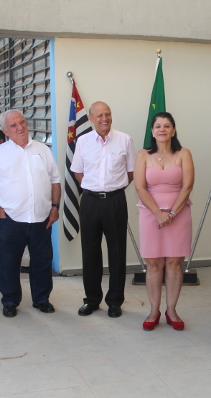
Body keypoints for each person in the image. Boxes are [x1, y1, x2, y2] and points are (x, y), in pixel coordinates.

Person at [0, 109, 61, 318]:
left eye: (22, 122)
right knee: (8, 263)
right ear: (6, 130)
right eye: (14, 125)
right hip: (11, 220)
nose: (20, 127)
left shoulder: (42, 150)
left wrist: (55, 207)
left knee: (42, 261)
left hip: (41, 218)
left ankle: (41, 299)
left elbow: (54, 180)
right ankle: (10, 301)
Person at [70, 101, 136, 318]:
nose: (104, 118)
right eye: (99, 115)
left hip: (115, 201)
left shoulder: (124, 140)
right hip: (89, 201)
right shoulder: (82, 141)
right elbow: (78, 173)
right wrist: (95, 188)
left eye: (107, 114)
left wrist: (112, 189)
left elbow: (130, 173)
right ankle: (91, 300)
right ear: (90, 118)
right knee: (90, 252)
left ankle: (115, 301)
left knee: (117, 252)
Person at [134, 112, 194, 331]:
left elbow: (187, 186)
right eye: (158, 126)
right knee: (153, 264)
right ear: (152, 131)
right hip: (150, 215)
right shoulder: (142, 155)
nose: (162, 129)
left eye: (167, 126)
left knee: (175, 263)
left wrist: (172, 214)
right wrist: (159, 214)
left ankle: (171, 310)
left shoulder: (183, 153)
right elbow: (140, 187)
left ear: (173, 130)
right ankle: (153, 310)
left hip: (179, 215)